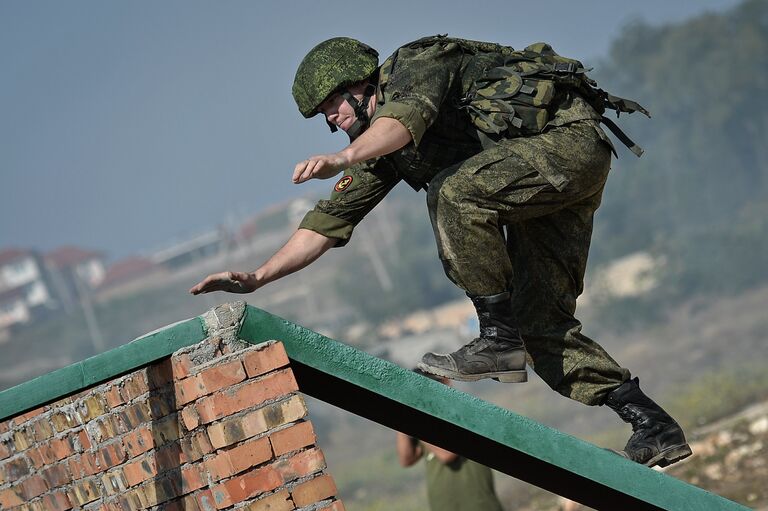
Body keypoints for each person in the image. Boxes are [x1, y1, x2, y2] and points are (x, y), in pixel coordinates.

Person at [190, 35, 692, 468]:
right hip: (540, 189)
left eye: (332, 105)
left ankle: (496, 338)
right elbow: (329, 221)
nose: (330, 119)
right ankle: (653, 426)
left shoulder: (416, 68)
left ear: (360, 85)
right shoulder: (378, 149)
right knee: (540, 324)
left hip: (567, 147)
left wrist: (343, 155)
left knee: (453, 192)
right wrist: (258, 276)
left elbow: (403, 123)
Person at [396, 369, 504, 511]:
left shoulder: (463, 412)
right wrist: (401, 418)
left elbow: (447, 454)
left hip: (478, 504)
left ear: (446, 382)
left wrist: (417, 420)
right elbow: (407, 460)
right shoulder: (426, 423)